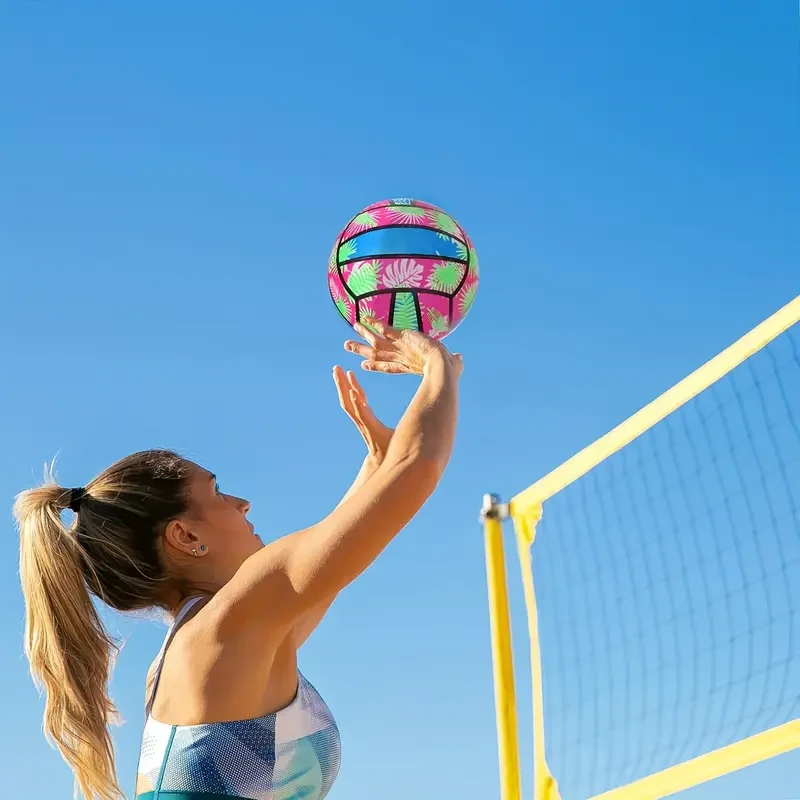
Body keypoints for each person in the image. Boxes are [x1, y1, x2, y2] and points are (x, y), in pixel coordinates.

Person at [14, 321, 462, 800]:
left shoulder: (223, 634)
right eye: (217, 492)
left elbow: (337, 561)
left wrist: (377, 463)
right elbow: (417, 468)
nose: (242, 502)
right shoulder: (228, 623)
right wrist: (436, 367)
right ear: (185, 535)